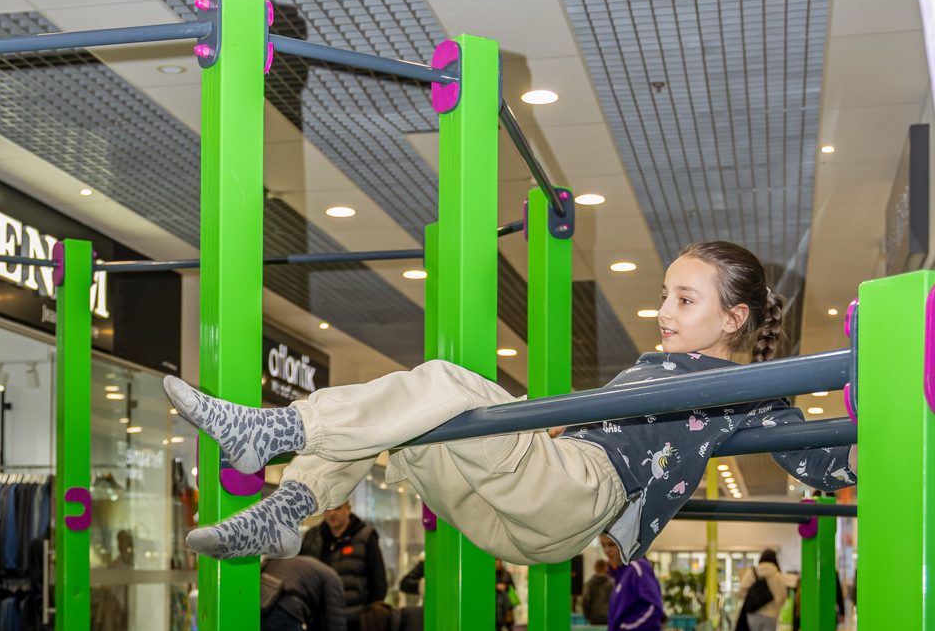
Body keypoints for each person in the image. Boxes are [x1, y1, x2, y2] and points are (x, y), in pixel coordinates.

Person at [163, 241, 857, 570]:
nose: (664, 311)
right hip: (521, 520)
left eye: (684, 298)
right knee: (411, 423)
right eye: (664, 295)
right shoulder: (656, 370)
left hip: (577, 493)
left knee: (443, 381)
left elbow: (824, 465)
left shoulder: (746, 390)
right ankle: (287, 511)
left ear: (734, 318)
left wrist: (876, 408)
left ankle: (274, 430)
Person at [299, 500, 386, 631]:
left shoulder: (365, 537)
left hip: (353, 622)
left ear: (348, 509)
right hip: (318, 623)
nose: (332, 514)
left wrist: (369, 620)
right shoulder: (313, 537)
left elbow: (378, 583)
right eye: (328, 509)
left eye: (337, 508)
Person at [582, 557, 615, 631]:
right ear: (606, 568)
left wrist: (588, 616)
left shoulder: (590, 583)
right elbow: (615, 600)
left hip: (594, 618)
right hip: (608, 617)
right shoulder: (611, 583)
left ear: (595, 568)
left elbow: (585, 600)